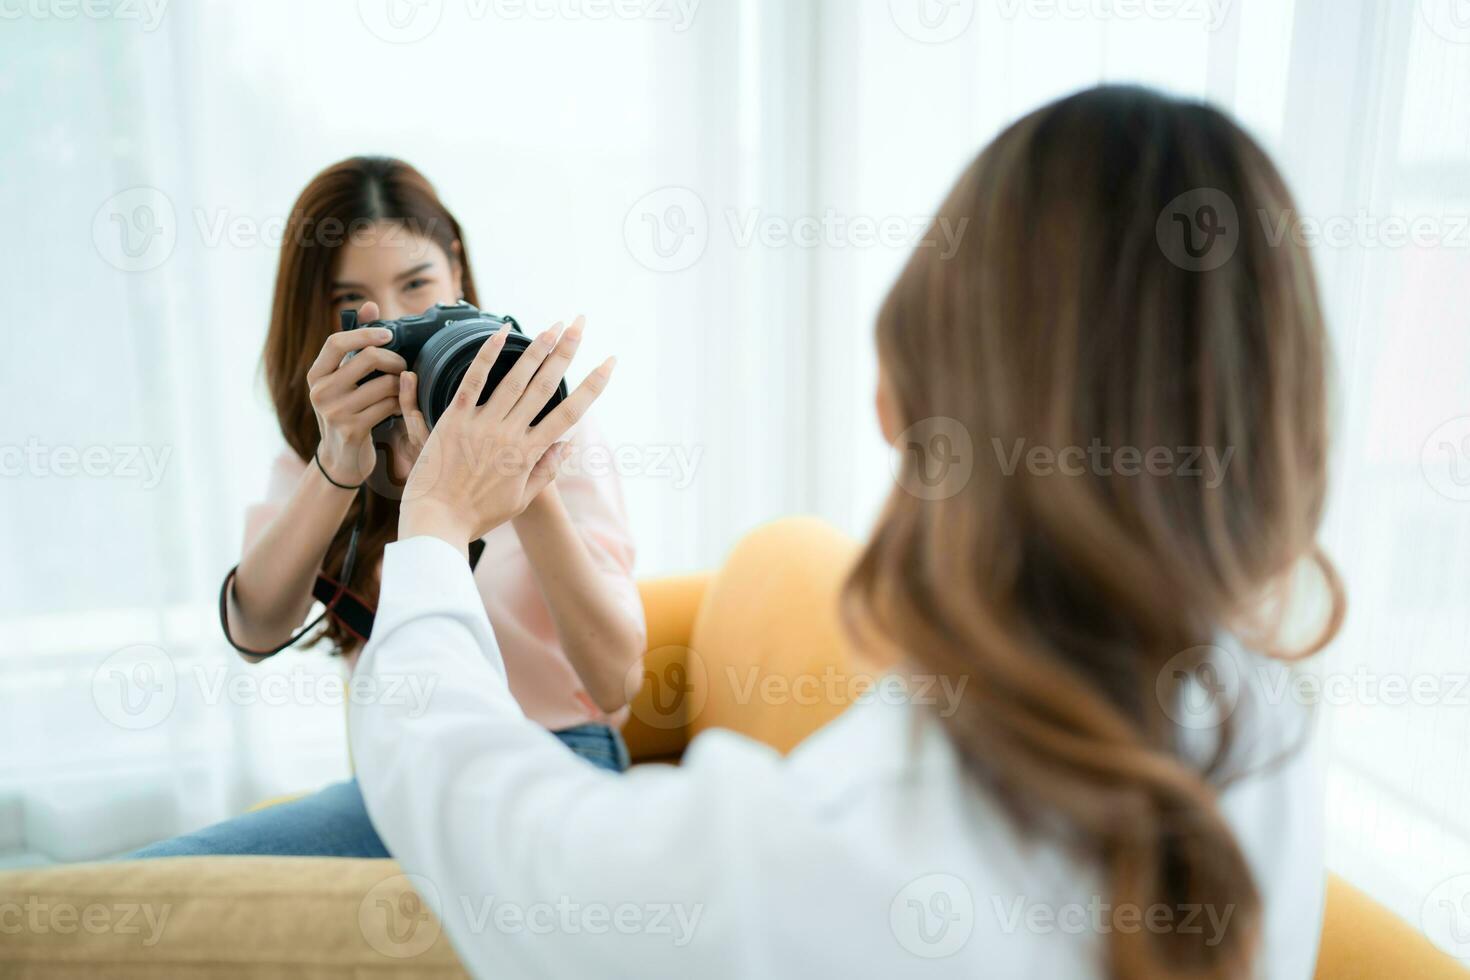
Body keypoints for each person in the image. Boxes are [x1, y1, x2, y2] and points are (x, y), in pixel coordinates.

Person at [351, 86, 1343, 978]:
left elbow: (467, 803)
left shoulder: (830, 859)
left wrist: (435, 518)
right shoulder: (1268, 729)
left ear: (901, 406)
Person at [132, 157, 646, 859]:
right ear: (324, 314)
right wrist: (339, 465)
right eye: (358, 300)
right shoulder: (328, 446)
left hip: (557, 759)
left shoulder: (549, 422)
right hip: (410, 778)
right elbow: (254, 630)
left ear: (457, 272)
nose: (400, 321)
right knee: (171, 877)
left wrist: (519, 468)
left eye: (418, 285)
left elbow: (616, 685)